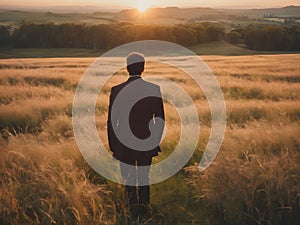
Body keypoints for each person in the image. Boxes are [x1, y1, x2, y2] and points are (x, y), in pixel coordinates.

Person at [107, 52, 165, 219]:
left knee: (129, 179)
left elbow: (112, 122)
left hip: (123, 144)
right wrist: (154, 141)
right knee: (144, 177)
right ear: (143, 68)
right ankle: (145, 211)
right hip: (147, 142)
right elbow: (160, 119)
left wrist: (114, 147)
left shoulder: (116, 90)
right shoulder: (154, 89)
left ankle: (131, 212)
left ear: (127, 68)